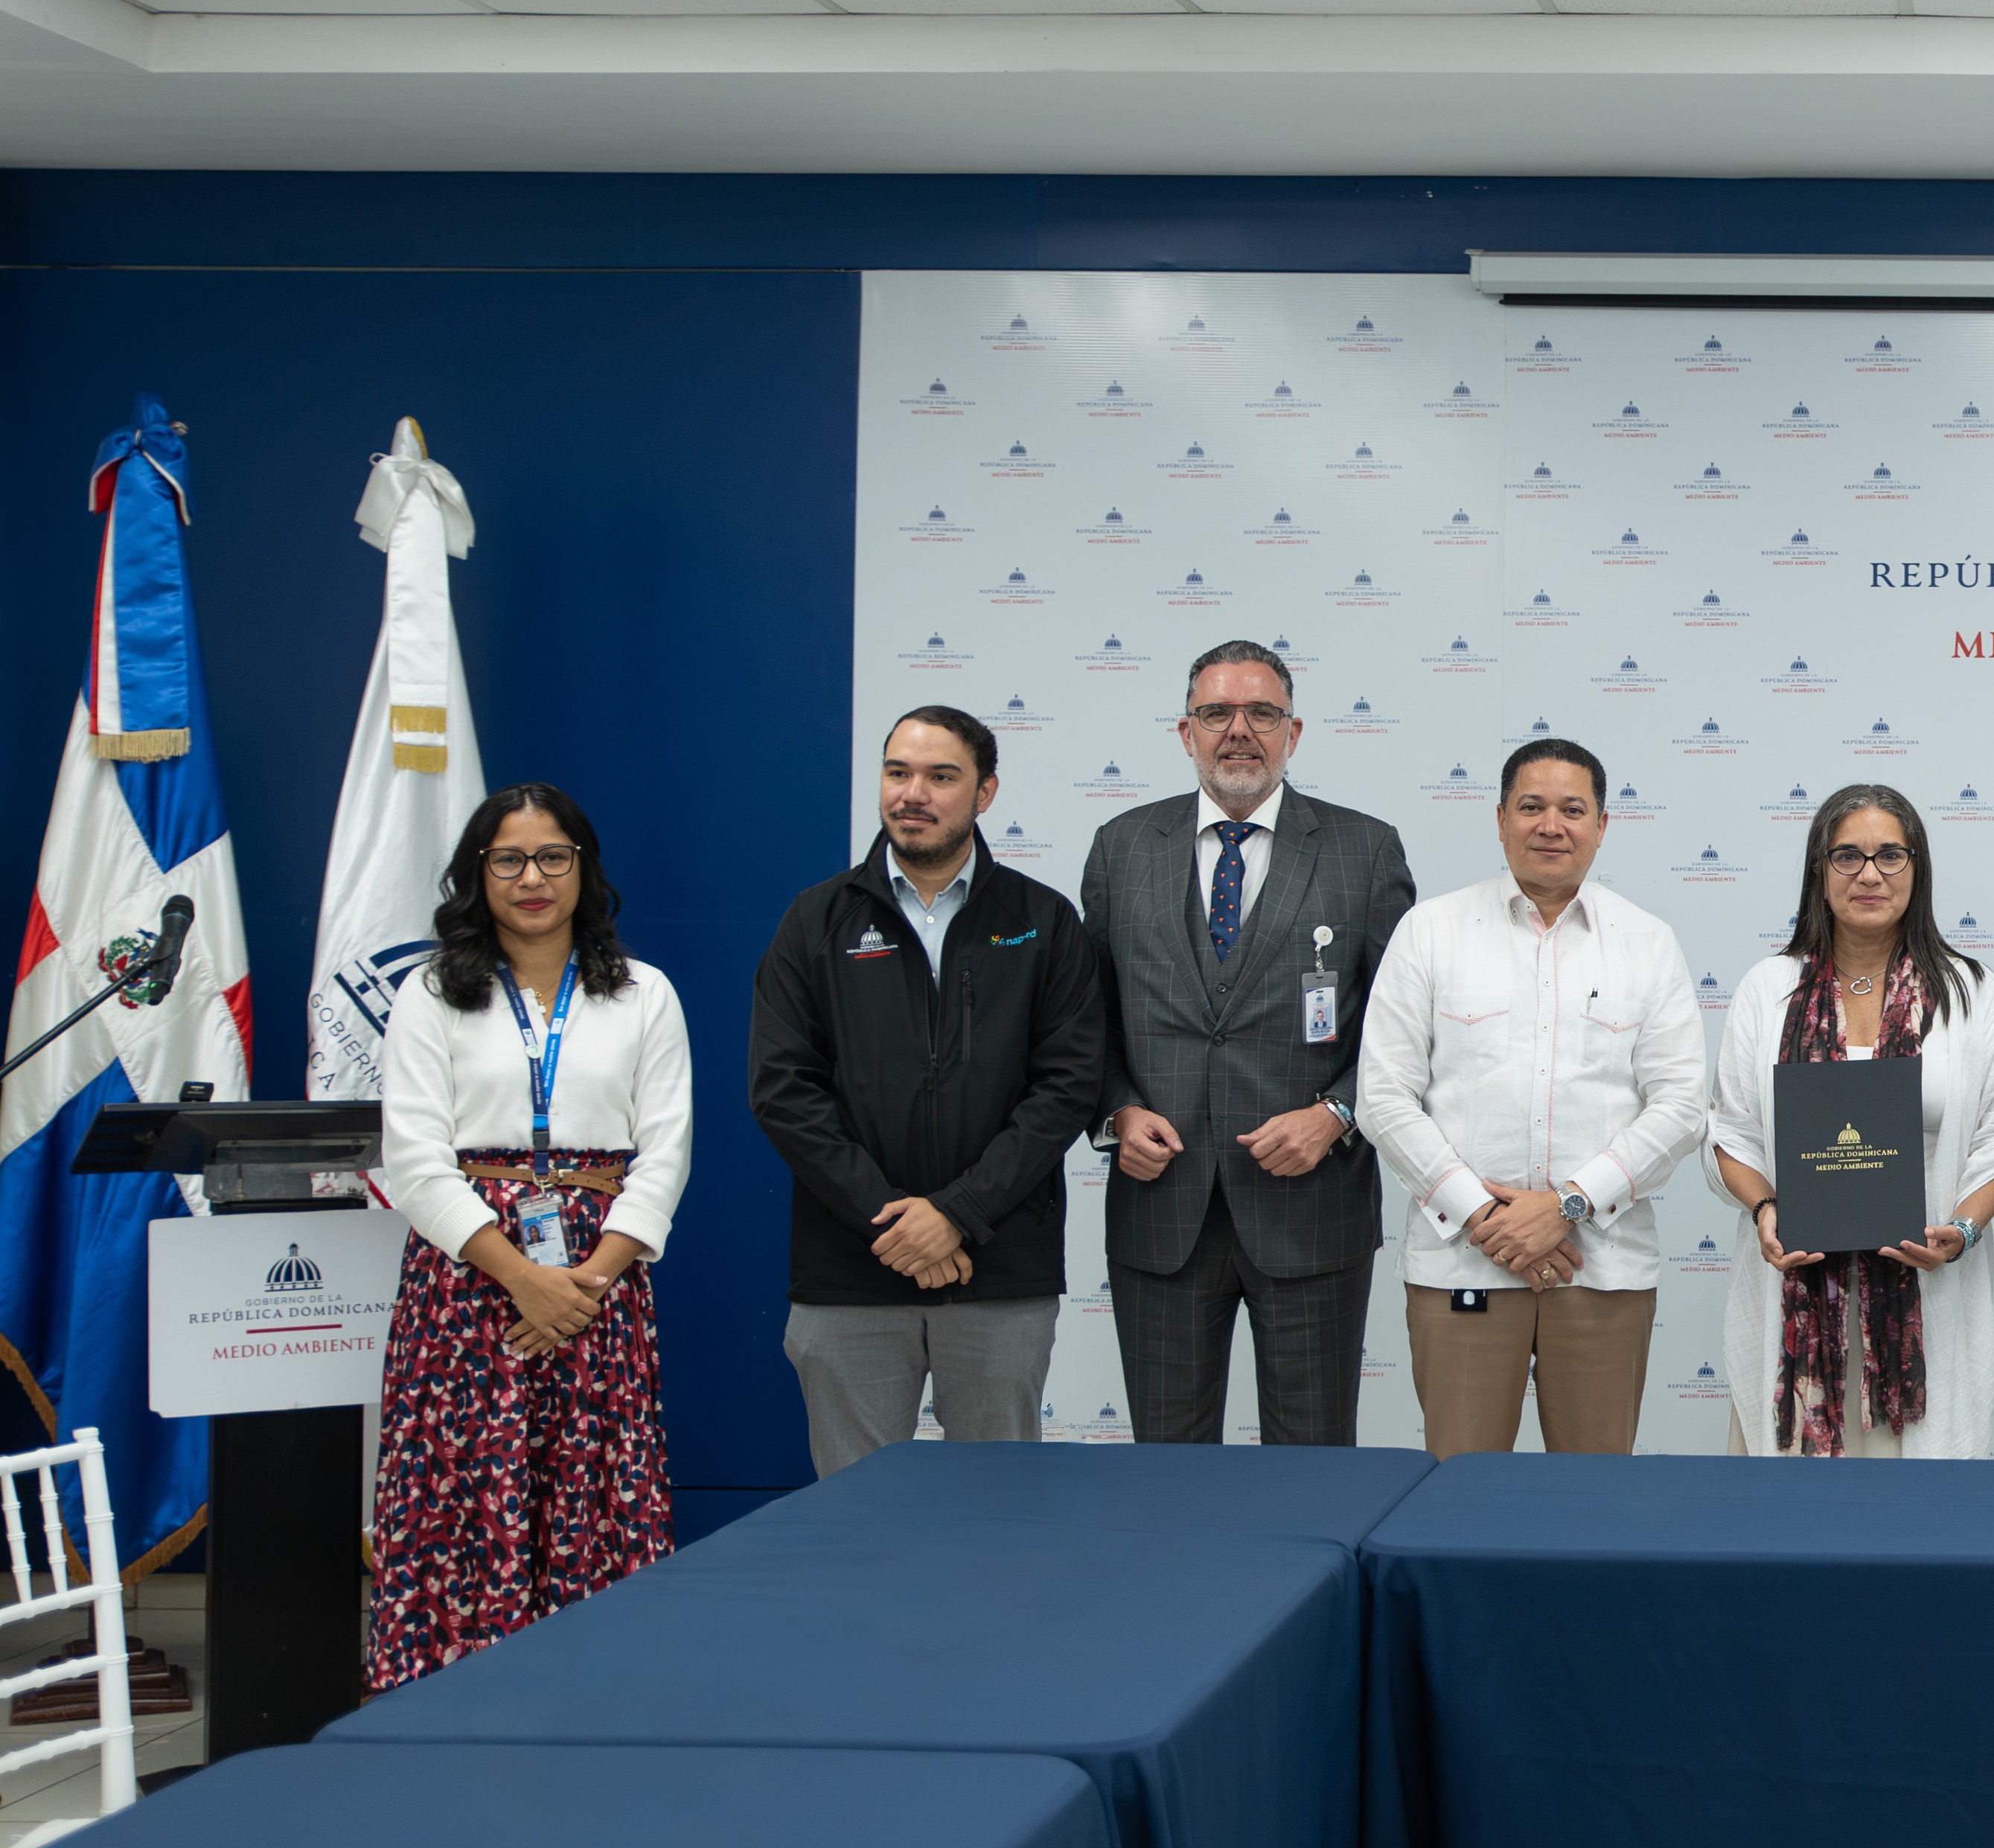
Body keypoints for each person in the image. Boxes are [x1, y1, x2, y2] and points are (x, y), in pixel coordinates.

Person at [368, 782, 691, 1689]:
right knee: (464, 1491)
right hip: (468, 1282)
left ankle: (598, 1697)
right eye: (507, 859)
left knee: (593, 1482)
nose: (532, 878)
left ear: (584, 869)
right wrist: (522, 1277)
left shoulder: (644, 993)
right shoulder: (430, 993)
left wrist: (585, 1283)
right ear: (478, 874)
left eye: (553, 857)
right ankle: (448, 1698)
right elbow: (415, 1161)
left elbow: (666, 1153)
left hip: (599, 1281)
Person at [750, 705, 1104, 1476]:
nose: (913, 794)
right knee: (856, 1516)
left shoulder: (1042, 920)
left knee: (998, 1507)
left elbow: (1068, 1086)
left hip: (997, 1271)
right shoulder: (815, 919)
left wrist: (957, 1214)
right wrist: (893, 1221)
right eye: (897, 772)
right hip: (850, 1269)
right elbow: (782, 1089)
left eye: (941, 776)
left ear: (985, 792)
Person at [1079, 640, 1416, 1445]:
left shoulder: (1364, 850)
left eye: (1261, 713)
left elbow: (1405, 1026)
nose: (1239, 730)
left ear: (1292, 732)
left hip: (1313, 1210)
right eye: (1216, 713)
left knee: (1310, 1467)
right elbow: (1083, 1018)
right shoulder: (1122, 846)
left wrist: (1336, 1113)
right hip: (1162, 1208)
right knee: (1167, 1466)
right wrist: (1117, 1112)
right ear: (1185, 732)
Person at [1359, 732, 1704, 1455]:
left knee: (1594, 1497)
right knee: (1460, 1490)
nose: (1552, 825)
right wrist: (1487, 1216)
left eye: (1573, 810)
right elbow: (1384, 1098)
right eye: (1531, 806)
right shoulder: (1430, 932)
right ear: (1499, 819)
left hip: (1601, 1267)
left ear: (1602, 825)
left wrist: (1567, 1205)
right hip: (1464, 1262)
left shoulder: (1647, 942)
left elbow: (1679, 1107)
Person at [1707, 786, 1994, 1457]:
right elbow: (1732, 1133)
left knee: (1915, 1505)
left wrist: (1962, 1232)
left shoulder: (1972, 993)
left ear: (1917, 867)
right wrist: (1765, 1209)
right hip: (1795, 1300)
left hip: (1927, 1298)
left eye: (1890, 855)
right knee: (1794, 1509)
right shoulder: (1769, 989)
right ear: (1819, 871)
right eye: (1848, 856)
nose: (1870, 874)